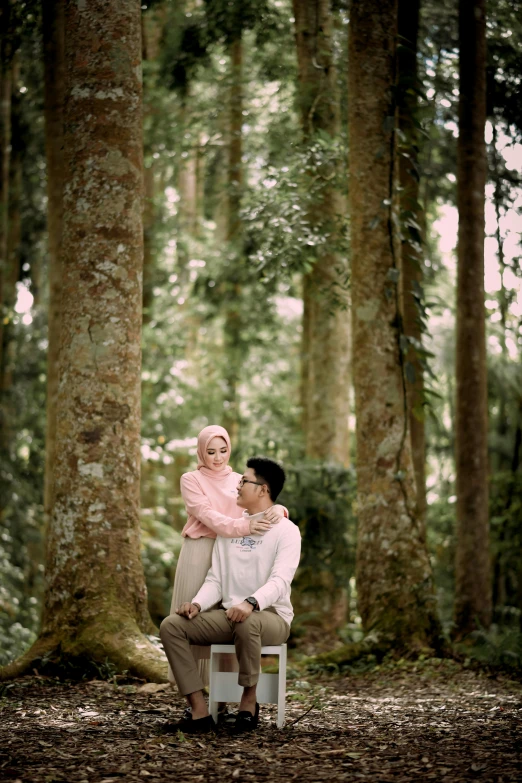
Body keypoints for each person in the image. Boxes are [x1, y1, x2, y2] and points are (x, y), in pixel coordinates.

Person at [160, 457, 301, 734]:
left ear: (262, 489)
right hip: (229, 616)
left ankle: (249, 701)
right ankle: (199, 710)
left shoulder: (287, 531)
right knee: (171, 626)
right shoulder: (231, 530)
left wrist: (250, 603)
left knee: (247, 622)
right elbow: (215, 579)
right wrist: (197, 604)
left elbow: (280, 580)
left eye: (244, 480)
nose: (238, 485)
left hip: (271, 618)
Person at [168, 425, 286, 692]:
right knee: (193, 617)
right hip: (200, 550)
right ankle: (196, 696)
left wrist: (279, 508)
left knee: (232, 620)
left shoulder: (239, 479)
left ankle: (225, 696)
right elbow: (207, 515)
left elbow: (259, 503)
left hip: (234, 549)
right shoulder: (191, 479)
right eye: (211, 452)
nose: (218, 457)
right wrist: (242, 528)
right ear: (201, 452)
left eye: (223, 451)